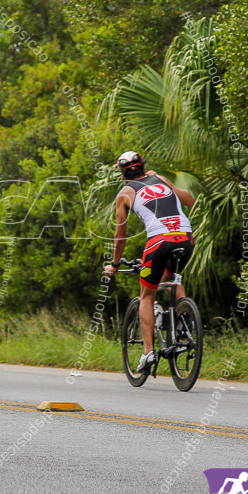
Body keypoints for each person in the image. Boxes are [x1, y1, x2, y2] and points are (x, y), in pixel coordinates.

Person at [104, 151, 195, 373]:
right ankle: (185, 322)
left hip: (158, 241)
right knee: (171, 277)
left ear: (122, 173)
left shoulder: (124, 194)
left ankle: (148, 352)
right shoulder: (161, 179)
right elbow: (190, 200)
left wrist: (114, 265)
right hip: (185, 237)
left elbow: (120, 236)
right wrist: (168, 184)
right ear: (143, 166)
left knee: (146, 294)